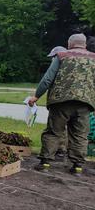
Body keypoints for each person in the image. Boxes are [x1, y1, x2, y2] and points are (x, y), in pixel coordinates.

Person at [28, 33, 95, 176]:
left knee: (53, 132)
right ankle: (77, 167)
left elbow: (47, 79)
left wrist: (36, 96)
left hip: (60, 102)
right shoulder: (93, 58)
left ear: (70, 43)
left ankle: (45, 163)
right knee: (80, 135)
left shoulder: (62, 56)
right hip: (84, 103)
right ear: (84, 44)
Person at [47, 46, 68, 159]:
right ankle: (63, 150)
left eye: (54, 57)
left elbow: (48, 80)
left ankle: (58, 150)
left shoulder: (60, 64)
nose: (52, 59)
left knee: (55, 127)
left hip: (59, 100)